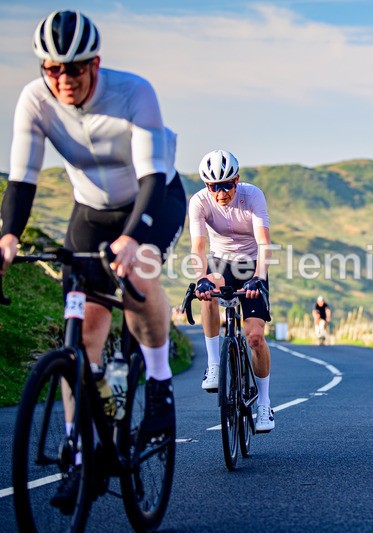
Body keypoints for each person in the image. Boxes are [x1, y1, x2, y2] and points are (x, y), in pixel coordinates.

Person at [0, 10, 186, 509]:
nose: (64, 79)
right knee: (82, 331)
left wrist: (132, 241)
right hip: (91, 212)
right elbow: (22, 179)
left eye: (75, 68)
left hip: (153, 200)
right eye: (52, 68)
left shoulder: (133, 93)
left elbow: (151, 178)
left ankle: (161, 385)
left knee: (137, 273)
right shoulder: (34, 101)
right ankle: (80, 453)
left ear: (96, 63)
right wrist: (8, 236)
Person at [188, 149, 275, 433]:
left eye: (227, 185)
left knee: (254, 338)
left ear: (237, 180)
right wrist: (200, 278)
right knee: (207, 290)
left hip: (251, 265)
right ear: (206, 185)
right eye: (214, 186)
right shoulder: (199, 202)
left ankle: (264, 403)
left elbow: (264, 243)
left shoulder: (253, 197)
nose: (221, 192)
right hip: (220, 262)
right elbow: (198, 247)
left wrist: (259, 278)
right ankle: (214, 364)